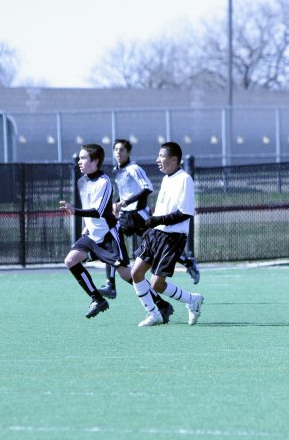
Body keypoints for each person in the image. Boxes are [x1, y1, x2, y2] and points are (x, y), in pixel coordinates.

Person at [60, 143, 173, 322]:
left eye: (83, 158)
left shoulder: (104, 181)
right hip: (91, 235)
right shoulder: (82, 181)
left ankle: (161, 304)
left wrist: (74, 211)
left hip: (108, 234)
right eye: (79, 158)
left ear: (95, 161)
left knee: (126, 274)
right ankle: (97, 299)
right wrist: (85, 226)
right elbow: (88, 207)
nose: (79, 162)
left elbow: (98, 211)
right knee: (70, 261)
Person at [99, 139, 200, 299]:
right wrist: (118, 203)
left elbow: (147, 188)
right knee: (112, 240)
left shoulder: (136, 169)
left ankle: (187, 264)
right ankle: (111, 283)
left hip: (140, 216)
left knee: (157, 274)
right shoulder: (119, 170)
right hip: (130, 217)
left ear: (129, 153)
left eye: (122, 150)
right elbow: (125, 193)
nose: (118, 153)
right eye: (116, 150)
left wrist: (129, 203)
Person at [131, 141, 204, 327]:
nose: (158, 160)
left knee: (156, 284)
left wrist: (157, 220)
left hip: (173, 237)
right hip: (156, 234)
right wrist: (152, 222)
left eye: (162, 156)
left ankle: (192, 299)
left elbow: (184, 213)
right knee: (136, 273)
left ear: (174, 159)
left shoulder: (185, 179)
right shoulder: (166, 178)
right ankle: (153, 314)